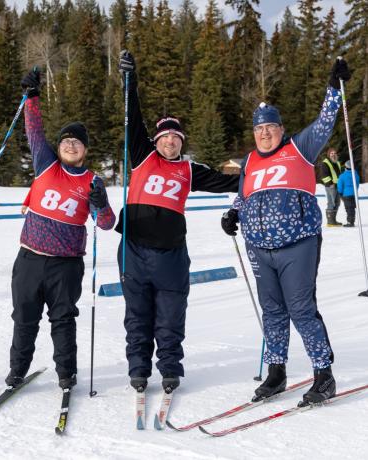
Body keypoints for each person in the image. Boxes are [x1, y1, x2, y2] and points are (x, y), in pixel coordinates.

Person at [221, 58, 351, 405]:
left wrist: (333, 88)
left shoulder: (300, 148)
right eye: (259, 128)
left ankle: (324, 375)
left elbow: (326, 121)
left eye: (271, 127)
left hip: (298, 244)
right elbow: (244, 194)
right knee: (273, 310)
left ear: (281, 128)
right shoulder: (249, 161)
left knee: (301, 308)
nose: (265, 133)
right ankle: (276, 371)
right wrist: (233, 213)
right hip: (259, 247)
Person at [117, 50, 239, 393]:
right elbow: (133, 116)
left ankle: (170, 368)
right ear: (156, 140)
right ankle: (138, 369)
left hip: (171, 254)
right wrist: (130, 80)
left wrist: (260, 174)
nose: (170, 141)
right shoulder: (141, 157)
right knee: (138, 316)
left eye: (176, 137)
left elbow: (227, 182)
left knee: (170, 317)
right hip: (134, 251)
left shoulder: (188, 170)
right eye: (165, 136)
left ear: (181, 142)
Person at [5, 68, 116, 390]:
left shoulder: (93, 180)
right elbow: (34, 131)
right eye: (66, 140)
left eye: (77, 143)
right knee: (24, 319)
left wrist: (102, 202)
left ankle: (66, 373)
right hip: (29, 259)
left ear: (85, 150)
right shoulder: (46, 162)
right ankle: (17, 371)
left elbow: (106, 224)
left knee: (63, 321)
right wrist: (32, 97)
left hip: (66, 265)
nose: (70, 145)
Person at [321, 147, 343, 226]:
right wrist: (330, 183)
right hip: (330, 186)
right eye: (331, 153)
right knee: (331, 202)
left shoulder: (337, 162)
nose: (333, 155)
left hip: (337, 185)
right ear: (328, 154)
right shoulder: (325, 163)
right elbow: (324, 175)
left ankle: (333, 220)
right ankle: (330, 221)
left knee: (337, 202)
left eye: (334, 153)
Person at [337, 160, 360, 227]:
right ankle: (351, 220)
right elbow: (357, 184)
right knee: (352, 208)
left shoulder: (342, 176)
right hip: (354, 194)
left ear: (346, 167)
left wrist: (340, 192)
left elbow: (340, 186)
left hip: (346, 194)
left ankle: (350, 222)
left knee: (348, 208)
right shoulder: (356, 175)